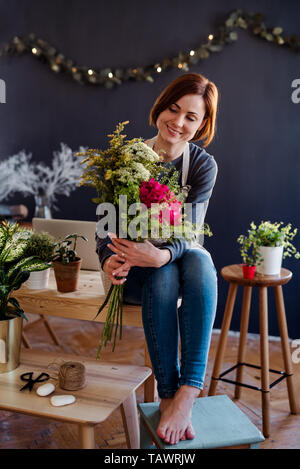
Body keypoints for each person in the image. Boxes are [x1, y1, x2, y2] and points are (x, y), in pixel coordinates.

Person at [96, 72, 219, 445]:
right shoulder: (126, 157)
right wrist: (107, 260)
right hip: (132, 271)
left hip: (176, 266)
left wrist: (162, 254)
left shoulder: (201, 166)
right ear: (161, 106)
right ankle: (169, 393)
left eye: (191, 118)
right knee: (163, 276)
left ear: (201, 126)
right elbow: (106, 224)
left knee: (199, 262)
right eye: (173, 109)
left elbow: (191, 232)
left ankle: (185, 392)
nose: (178, 123)